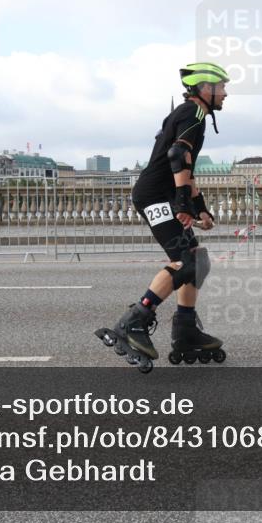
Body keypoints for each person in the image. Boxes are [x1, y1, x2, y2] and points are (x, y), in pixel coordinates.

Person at [95, 62, 229, 372]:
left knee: (197, 260)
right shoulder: (193, 114)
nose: (225, 93)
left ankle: (185, 329)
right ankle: (133, 321)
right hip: (155, 195)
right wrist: (182, 204)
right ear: (205, 88)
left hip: (162, 194)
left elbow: (186, 167)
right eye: (222, 87)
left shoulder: (191, 114)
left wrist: (200, 207)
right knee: (186, 261)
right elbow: (177, 156)